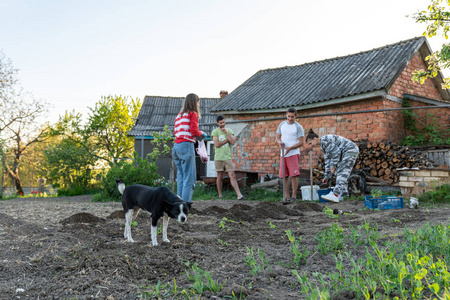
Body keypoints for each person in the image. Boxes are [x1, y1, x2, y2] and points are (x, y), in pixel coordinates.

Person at [304, 129, 359, 203]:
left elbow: (336, 152)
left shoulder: (325, 140)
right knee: (339, 172)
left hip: (350, 150)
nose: (311, 146)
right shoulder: (323, 145)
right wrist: (327, 176)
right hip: (343, 153)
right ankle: (344, 194)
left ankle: (335, 194)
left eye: (310, 143)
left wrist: (333, 165)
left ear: (315, 138)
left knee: (343, 172)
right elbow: (328, 160)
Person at [172, 93, 206, 203]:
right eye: (197, 102)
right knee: (189, 179)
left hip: (176, 147)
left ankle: (178, 204)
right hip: (186, 146)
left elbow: (176, 131)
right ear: (194, 102)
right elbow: (194, 132)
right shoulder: (192, 114)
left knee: (181, 177)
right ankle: (184, 206)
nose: (198, 104)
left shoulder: (179, 115)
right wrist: (202, 133)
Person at [211, 115, 245, 200]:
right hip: (219, 157)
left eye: (223, 122)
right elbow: (217, 144)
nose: (223, 124)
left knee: (232, 175)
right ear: (217, 123)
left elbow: (233, 142)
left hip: (228, 157)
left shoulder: (229, 131)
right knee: (220, 176)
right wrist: (227, 140)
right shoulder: (215, 132)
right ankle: (220, 195)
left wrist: (227, 133)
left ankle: (239, 195)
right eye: (221, 123)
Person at [276, 108, 304, 202]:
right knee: (285, 176)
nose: (290, 118)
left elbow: (301, 142)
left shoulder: (298, 127)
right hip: (283, 154)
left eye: (292, 116)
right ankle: (286, 196)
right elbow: (277, 137)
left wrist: (290, 148)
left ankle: (294, 196)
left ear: (296, 116)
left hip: (293, 153)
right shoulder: (282, 124)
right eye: (288, 116)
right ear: (286, 115)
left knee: (294, 175)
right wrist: (279, 142)